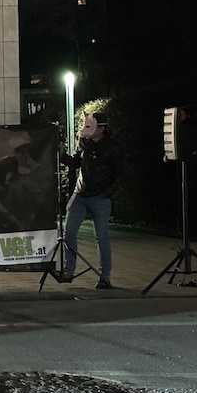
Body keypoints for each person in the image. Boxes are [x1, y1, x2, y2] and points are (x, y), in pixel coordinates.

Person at [61, 112, 121, 289]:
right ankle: (68, 270)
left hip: (99, 198)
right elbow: (74, 163)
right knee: (69, 232)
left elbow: (119, 174)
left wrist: (106, 193)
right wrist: (62, 155)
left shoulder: (112, 147)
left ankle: (105, 276)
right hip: (80, 194)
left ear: (101, 129)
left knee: (101, 237)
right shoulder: (84, 143)